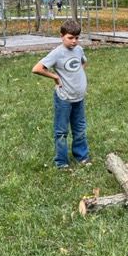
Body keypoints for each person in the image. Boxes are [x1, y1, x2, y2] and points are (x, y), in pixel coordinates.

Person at [32, 19, 91, 169]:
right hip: (64, 98)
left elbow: (83, 62)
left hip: (78, 97)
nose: (74, 41)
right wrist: (56, 77)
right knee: (62, 131)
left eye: (77, 38)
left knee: (79, 128)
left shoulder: (79, 50)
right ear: (62, 36)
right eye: (70, 38)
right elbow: (37, 68)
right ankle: (62, 162)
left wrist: (79, 77)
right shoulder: (57, 53)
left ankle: (81, 156)